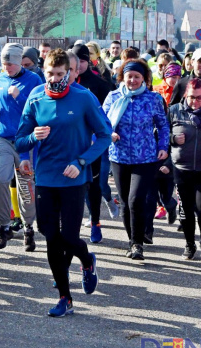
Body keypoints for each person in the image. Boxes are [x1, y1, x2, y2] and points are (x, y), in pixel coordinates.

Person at [16, 49, 111, 317]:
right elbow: (20, 140)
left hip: (73, 177)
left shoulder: (83, 98)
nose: (55, 78)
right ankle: (64, 297)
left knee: (68, 237)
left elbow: (104, 135)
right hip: (45, 176)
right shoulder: (35, 97)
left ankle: (86, 260)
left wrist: (82, 161)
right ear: (43, 71)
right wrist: (33, 137)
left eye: (61, 73)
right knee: (50, 235)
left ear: (69, 73)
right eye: (50, 73)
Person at [102, 59, 169, 260]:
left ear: (144, 79)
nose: (132, 80)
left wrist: (163, 147)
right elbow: (101, 121)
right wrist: (109, 133)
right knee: (124, 201)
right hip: (119, 156)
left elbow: (163, 126)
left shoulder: (153, 99)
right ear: (123, 76)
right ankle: (132, 240)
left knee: (136, 199)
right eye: (129, 76)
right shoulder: (113, 97)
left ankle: (138, 244)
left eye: (137, 77)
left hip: (145, 157)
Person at [0, 43, 43, 249]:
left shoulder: (34, 80)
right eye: (4, 64)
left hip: (25, 140)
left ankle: (28, 227)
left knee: (25, 187)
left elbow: (39, 110)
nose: (8, 67)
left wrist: (19, 97)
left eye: (11, 63)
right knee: (0, 180)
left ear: (20, 61)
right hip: (2, 138)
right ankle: (3, 226)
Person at [168, 78, 201, 259]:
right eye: (191, 97)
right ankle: (189, 244)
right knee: (186, 208)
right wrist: (173, 139)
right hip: (182, 168)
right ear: (185, 95)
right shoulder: (174, 110)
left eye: (199, 98)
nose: (195, 102)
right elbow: (158, 133)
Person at [71, 44, 113, 243]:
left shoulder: (100, 85)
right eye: (75, 61)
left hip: (93, 144)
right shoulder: (62, 84)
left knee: (93, 184)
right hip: (69, 142)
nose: (78, 65)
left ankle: (95, 221)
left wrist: (102, 138)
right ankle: (71, 224)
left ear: (89, 61)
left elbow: (108, 116)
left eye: (82, 60)